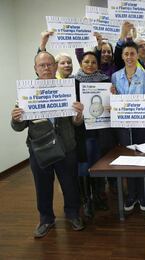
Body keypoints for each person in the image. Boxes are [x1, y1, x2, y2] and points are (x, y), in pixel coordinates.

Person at [10, 51, 85, 238]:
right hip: (40, 149)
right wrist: (16, 118)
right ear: (35, 69)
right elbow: (18, 127)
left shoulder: (67, 89)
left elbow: (76, 123)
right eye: (42, 65)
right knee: (42, 186)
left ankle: (73, 214)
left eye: (50, 64)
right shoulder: (27, 93)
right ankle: (46, 219)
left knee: (70, 184)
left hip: (66, 146)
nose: (46, 68)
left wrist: (78, 116)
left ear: (55, 66)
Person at [111, 41, 145, 213]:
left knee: (142, 159)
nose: (129, 57)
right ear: (122, 56)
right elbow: (113, 99)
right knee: (127, 158)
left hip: (142, 124)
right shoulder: (115, 76)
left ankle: (142, 195)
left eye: (132, 54)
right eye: (126, 54)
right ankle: (131, 195)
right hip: (123, 125)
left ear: (138, 55)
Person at [74, 51, 115, 216]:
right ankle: (86, 200)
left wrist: (114, 96)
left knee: (99, 164)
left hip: (102, 130)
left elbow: (112, 103)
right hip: (82, 131)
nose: (90, 65)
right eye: (86, 62)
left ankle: (99, 196)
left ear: (98, 65)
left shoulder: (106, 81)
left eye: (93, 62)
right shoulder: (73, 82)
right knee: (84, 166)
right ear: (81, 64)